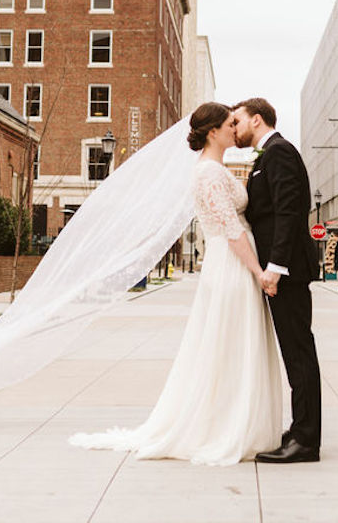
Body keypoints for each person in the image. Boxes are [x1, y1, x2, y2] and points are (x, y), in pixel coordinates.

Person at [68, 102, 283, 465]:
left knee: (230, 343)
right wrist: (258, 271)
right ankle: (223, 426)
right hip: (232, 264)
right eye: (230, 123)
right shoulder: (208, 174)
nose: (236, 128)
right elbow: (231, 230)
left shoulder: (213, 169)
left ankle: (235, 420)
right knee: (227, 344)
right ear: (213, 131)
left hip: (232, 262)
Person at [232, 97, 323, 464]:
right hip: (281, 271)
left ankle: (306, 440)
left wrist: (276, 267)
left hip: (287, 272)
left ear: (256, 119)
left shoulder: (280, 152)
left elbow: (288, 212)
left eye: (237, 121)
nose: (233, 127)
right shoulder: (268, 155)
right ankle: (301, 429)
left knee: (299, 352)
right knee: (294, 352)